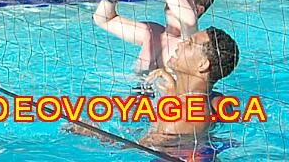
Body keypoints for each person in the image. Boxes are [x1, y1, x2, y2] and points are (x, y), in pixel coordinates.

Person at [66, 27, 239, 147]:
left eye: (190, 44)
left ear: (203, 64)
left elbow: (131, 150)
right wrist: (176, 92)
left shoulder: (180, 118)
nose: (180, 44)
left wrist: (90, 131)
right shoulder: (218, 101)